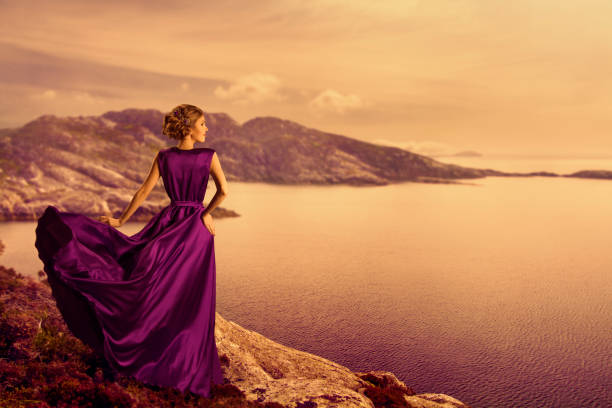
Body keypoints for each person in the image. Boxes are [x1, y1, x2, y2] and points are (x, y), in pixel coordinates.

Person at [34, 103, 229, 398]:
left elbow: (142, 191)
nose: (206, 128)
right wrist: (205, 213)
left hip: (169, 222)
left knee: (148, 282)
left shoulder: (164, 157)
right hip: (196, 232)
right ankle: (187, 368)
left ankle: (152, 353)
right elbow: (224, 191)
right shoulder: (209, 155)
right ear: (189, 127)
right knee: (192, 300)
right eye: (202, 123)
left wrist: (122, 221)